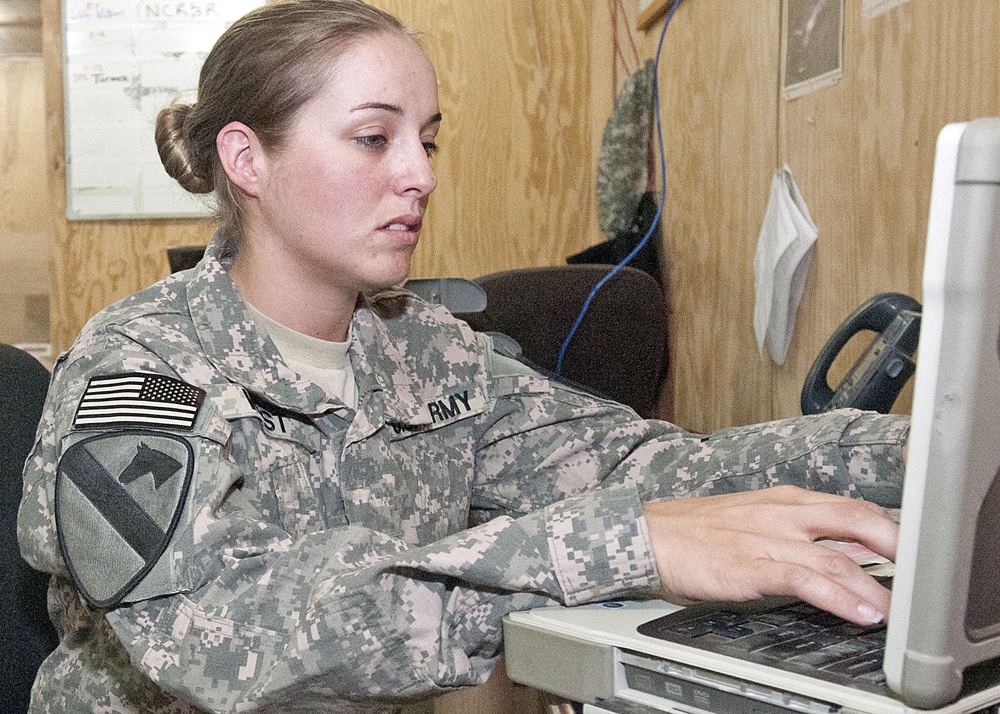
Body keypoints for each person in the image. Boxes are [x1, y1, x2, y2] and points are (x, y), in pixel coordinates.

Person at [17, 1, 907, 712]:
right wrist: (619, 547)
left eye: (428, 139)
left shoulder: (421, 346)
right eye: (375, 138)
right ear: (247, 160)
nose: (421, 174)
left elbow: (648, 465)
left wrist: (913, 456)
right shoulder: (140, 369)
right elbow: (221, 634)